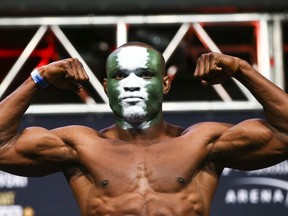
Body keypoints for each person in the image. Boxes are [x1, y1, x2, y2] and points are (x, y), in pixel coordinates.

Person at [0, 41, 287, 216]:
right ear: (106, 87)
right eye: (120, 75)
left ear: (165, 84)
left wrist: (242, 69)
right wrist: (39, 78)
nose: (132, 84)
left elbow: (284, 134)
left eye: (146, 74)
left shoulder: (203, 142)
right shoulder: (81, 146)